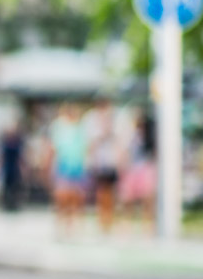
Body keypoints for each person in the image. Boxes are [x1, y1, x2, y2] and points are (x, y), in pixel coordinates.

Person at [46, 103, 88, 235]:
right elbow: (53, 148)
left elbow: (84, 149)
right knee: (62, 196)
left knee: (75, 197)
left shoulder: (79, 128)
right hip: (64, 166)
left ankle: (72, 224)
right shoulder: (59, 127)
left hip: (76, 166)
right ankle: (61, 223)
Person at [87, 98, 123, 232]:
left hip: (110, 162)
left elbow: (119, 142)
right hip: (99, 162)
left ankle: (109, 219)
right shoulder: (91, 121)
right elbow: (91, 143)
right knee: (101, 192)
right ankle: (102, 219)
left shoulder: (115, 120)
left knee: (111, 192)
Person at [119, 107, 157, 232]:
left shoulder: (149, 134)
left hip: (145, 167)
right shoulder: (129, 133)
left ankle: (148, 224)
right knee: (128, 199)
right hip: (132, 168)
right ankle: (127, 223)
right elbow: (124, 151)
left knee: (147, 198)